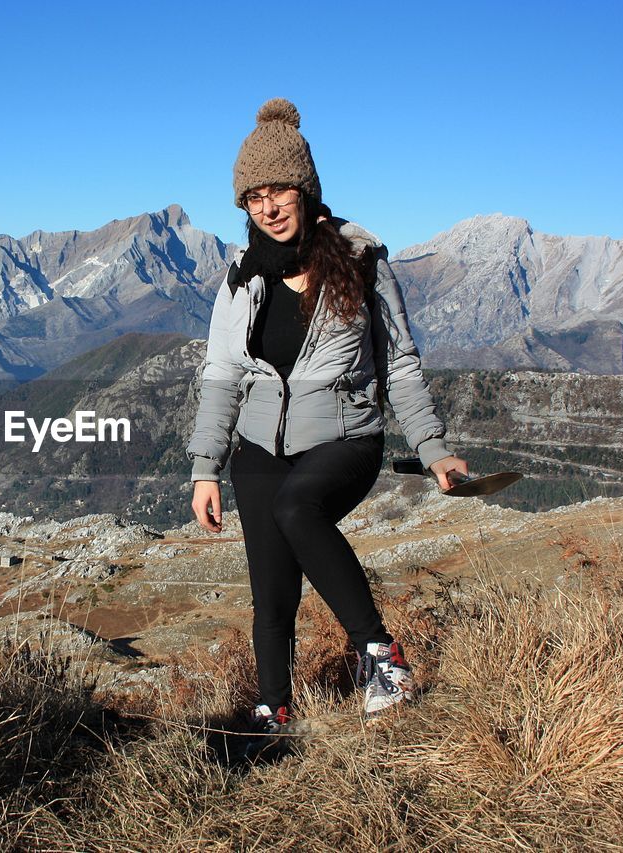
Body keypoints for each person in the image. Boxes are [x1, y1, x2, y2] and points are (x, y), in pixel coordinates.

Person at [186, 98, 468, 735]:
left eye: (280, 189)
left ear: (307, 189)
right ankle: (274, 710)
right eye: (254, 196)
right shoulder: (241, 277)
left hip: (344, 436)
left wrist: (433, 447)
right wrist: (206, 467)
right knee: (272, 587)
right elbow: (223, 375)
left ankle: (380, 655)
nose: (269, 207)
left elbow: (399, 363)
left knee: (297, 509)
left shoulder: (360, 261)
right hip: (259, 444)